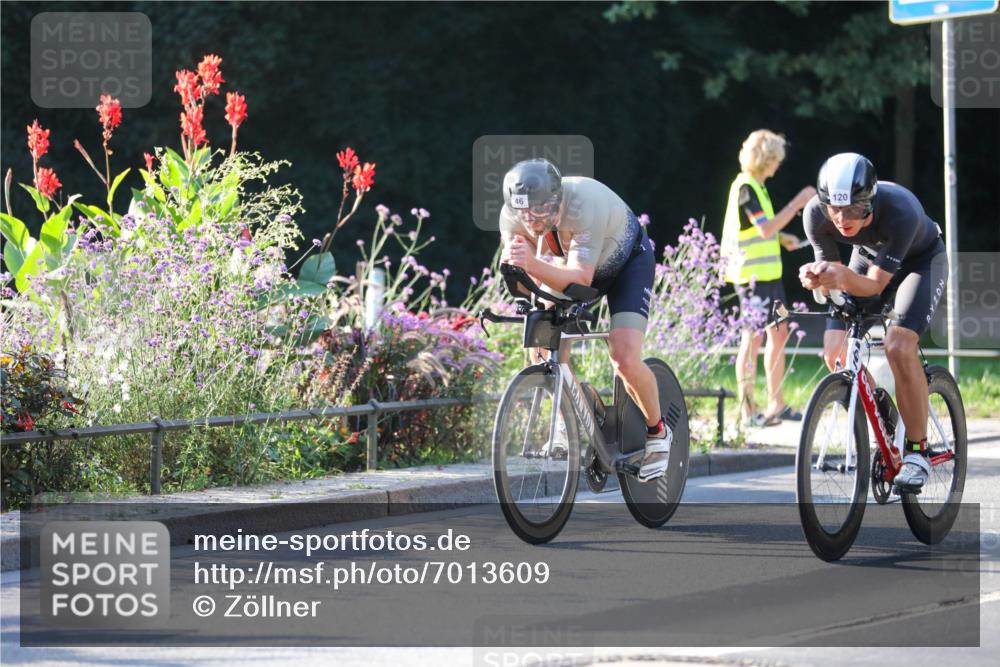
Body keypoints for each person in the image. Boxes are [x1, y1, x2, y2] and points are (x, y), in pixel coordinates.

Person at [498, 158, 668, 482]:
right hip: (576, 267)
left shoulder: (582, 205)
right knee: (541, 342)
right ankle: (576, 414)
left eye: (538, 210)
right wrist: (520, 276)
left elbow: (580, 280)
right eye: (523, 213)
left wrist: (530, 263)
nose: (530, 220)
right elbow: (521, 278)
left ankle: (658, 432)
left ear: (556, 199)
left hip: (626, 264)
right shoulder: (514, 216)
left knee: (623, 356)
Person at [800, 152, 947, 492]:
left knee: (898, 344)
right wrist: (816, 279)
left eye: (853, 209)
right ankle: (884, 413)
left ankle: (917, 451)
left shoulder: (900, 209)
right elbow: (833, 276)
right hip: (869, 258)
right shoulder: (815, 214)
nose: (842, 219)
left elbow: (874, 287)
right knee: (835, 354)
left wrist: (838, 276)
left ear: (870, 199)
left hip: (920, 263)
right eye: (834, 209)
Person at [720, 130, 815, 428]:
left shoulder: (758, 187)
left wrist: (783, 237)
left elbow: (764, 230)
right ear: (766, 158)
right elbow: (763, 229)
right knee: (753, 338)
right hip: (751, 278)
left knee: (780, 333)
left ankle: (777, 403)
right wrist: (798, 203)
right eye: (776, 160)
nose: (778, 166)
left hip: (770, 278)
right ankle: (748, 411)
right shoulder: (746, 188)